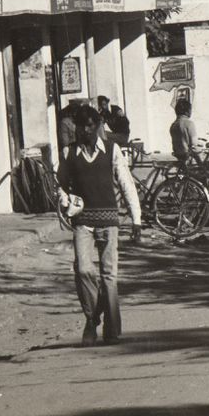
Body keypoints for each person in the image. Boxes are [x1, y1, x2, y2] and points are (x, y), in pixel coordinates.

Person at [56, 104, 143, 346]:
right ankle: (92, 318)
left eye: (92, 128)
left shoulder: (113, 150)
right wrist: (65, 200)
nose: (87, 133)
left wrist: (136, 219)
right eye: (83, 128)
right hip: (83, 221)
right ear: (78, 128)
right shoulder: (68, 153)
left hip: (108, 219)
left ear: (97, 127)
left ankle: (111, 330)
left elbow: (126, 184)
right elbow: (61, 183)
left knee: (109, 276)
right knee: (83, 270)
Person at [169, 99, 199, 166]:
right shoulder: (189, 123)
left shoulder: (173, 125)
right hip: (188, 156)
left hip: (179, 155)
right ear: (187, 111)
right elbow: (194, 143)